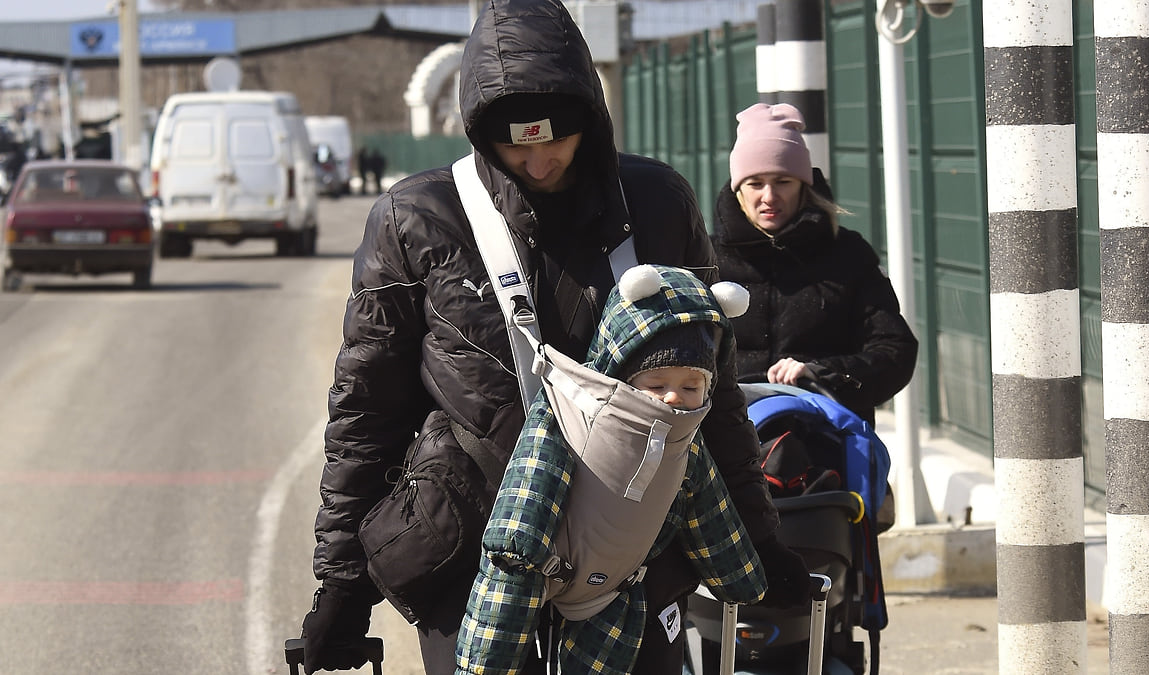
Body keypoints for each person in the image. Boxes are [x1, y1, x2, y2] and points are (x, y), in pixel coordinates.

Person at [299, 3, 811, 674]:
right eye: (515, 143)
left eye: (556, 139)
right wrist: (343, 582)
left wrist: (760, 536)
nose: (538, 160)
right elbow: (368, 407)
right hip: (473, 557)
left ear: (588, 122)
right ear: (482, 132)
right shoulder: (418, 219)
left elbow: (706, 393)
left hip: (634, 557)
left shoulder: (658, 205)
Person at [457, 264, 768, 673]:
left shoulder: (686, 444)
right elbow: (527, 500)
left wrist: (745, 585)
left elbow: (711, 513)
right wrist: (518, 545)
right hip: (533, 567)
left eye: (691, 386)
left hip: (616, 592)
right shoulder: (573, 412)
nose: (674, 396)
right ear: (624, 371)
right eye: (656, 384)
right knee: (506, 597)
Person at [710, 103, 918, 428]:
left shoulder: (848, 254)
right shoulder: (705, 258)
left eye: (783, 181)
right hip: (726, 443)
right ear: (738, 190)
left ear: (804, 186)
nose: (769, 196)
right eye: (755, 183)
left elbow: (895, 351)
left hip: (826, 448)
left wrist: (821, 373)